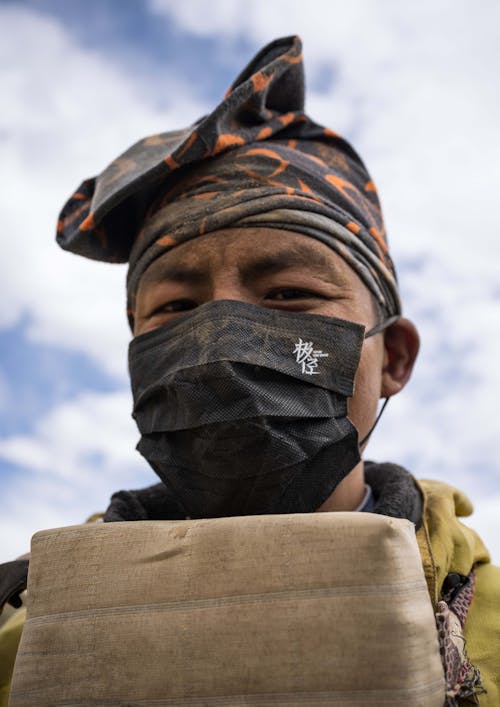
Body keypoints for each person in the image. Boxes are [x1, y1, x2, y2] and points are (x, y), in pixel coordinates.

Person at [1, 35, 499, 706]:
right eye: (175, 307)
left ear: (395, 357)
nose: (218, 341)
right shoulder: (19, 627)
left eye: (290, 294)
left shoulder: (485, 623)